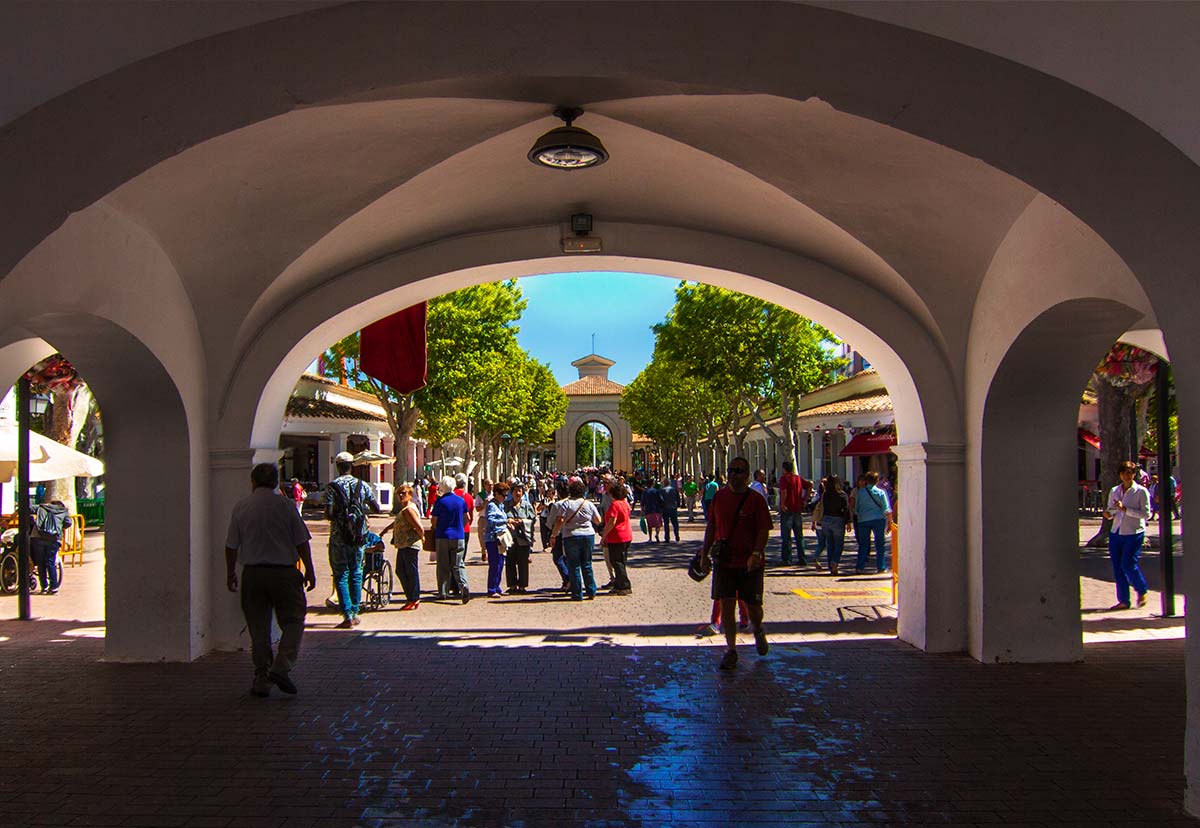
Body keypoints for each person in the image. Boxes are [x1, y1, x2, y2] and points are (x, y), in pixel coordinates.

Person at [224, 463, 316, 697]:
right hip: (284, 573)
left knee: (258, 628)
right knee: (294, 621)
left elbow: (231, 544)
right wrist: (309, 569)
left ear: (252, 481)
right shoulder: (286, 506)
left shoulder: (241, 507)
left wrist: (230, 572)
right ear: (276, 482)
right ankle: (282, 666)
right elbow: (301, 541)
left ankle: (261, 677)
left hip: (253, 574)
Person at [703, 457, 772, 671]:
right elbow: (711, 527)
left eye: (739, 471)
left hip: (750, 563)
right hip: (724, 561)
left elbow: (763, 529)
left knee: (753, 607)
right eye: (731, 470)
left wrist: (756, 553)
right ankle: (731, 650)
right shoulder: (719, 497)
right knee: (727, 604)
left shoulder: (756, 500)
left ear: (747, 474)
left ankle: (758, 628)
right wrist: (704, 554)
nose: (734, 474)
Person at [325, 451, 380, 628]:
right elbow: (376, 507)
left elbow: (329, 513)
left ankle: (347, 613)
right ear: (352, 465)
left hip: (338, 536)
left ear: (338, 466)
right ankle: (355, 611)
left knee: (341, 573)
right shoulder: (362, 485)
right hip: (358, 535)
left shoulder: (332, 487)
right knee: (356, 571)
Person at [1105, 459, 1151, 610]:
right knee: (1117, 567)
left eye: (1130, 473)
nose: (1127, 476)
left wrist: (1126, 509)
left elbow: (1146, 514)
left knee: (1128, 564)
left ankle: (1141, 590)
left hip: (1133, 532)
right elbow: (1111, 509)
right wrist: (1108, 514)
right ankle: (1124, 600)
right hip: (1116, 532)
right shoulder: (1114, 491)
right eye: (1124, 473)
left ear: (1134, 474)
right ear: (1120, 475)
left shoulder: (1141, 491)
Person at [554, 477, 603, 601]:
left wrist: (554, 534)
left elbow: (559, 520)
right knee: (587, 564)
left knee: (573, 565)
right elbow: (598, 520)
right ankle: (591, 590)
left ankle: (577, 593)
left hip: (571, 535)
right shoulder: (588, 504)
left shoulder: (566, 504)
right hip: (588, 535)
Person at [431, 475, 470, 603]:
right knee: (458, 564)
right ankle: (463, 585)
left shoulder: (440, 502)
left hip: (443, 535)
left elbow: (434, 520)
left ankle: (443, 591)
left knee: (443, 565)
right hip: (459, 535)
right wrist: (460, 527)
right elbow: (467, 518)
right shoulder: (461, 501)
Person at [390, 483, 424, 610]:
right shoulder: (404, 509)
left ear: (410, 495)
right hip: (403, 544)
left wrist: (422, 536)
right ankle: (411, 597)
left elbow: (418, 526)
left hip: (410, 544)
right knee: (401, 570)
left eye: (403, 493)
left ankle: (414, 598)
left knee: (410, 571)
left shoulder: (409, 509)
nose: (400, 495)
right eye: (399, 493)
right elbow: (397, 522)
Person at [853, 470, 891, 573]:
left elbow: (857, 509)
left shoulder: (860, 492)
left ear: (866, 480)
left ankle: (860, 567)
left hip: (863, 520)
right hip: (878, 520)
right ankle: (881, 566)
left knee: (863, 544)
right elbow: (886, 508)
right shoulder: (881, 492)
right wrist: (890, 523)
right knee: (879, 544)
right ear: (877, 480)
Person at [31, 499, 71, 594]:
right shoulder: (64, 511)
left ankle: (44, 587)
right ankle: (54, 587)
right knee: (50, 562)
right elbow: (68, 523)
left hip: (38, 538)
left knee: (41, 563)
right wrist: (60, 526)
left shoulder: (42, 507)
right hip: (54, 539)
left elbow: (29, 508)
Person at [601, 480, 634, 594]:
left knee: (616, 561)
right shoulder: (626, 504)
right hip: (627, 535)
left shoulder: (615, 505)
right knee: (621, 561)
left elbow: (612, 522)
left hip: (617, 536)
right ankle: (619, 584)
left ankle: (624, 585)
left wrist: (603, 536)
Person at [777, 460, 809, 566]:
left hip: (788, 509)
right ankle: (802, 557)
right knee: (799, 536)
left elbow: (784, 492)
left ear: (784, 469)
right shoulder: (798, 478)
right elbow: (810, 485)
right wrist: (805, 499)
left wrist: (782, 504)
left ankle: (787, 559)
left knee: (786, 536)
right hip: (797, 509)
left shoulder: (784, 479)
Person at [505, 482, 535, 593]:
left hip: (523, 538)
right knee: (510, 562)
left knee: (523, 562)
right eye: (515, 491)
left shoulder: (527, 505)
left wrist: (522, 522)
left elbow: (533, 520)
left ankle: (522, 585)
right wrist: (508, 521)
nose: (518, 493)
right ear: (511, 492)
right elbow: (502, 518)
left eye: (520, 491)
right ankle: (512, 585)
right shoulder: (506, 505)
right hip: (510, 538)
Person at [819, 475, 852, 576]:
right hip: (838, 519)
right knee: (839, 544)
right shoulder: (842, 495)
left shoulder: (825, 494)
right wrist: (848, 522)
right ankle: (835, 562)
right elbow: (846, 509)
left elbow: (822, 506)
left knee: (830, 544)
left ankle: (830, 564)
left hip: (826, 519)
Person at [484, 481, 510, 597]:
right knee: (494, 563)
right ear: (497, 494)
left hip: (501, 537)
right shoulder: (491, 505)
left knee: (500, 563)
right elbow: (490, 520)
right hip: (493, 538)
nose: (505, 497)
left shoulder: (501, 505)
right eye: (504, 495)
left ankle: (497, 586)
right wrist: (505, 521)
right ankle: (491, 588)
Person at [660, 477, 681, 543]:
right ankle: (676, 534)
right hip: (673, 508)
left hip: (665, 508)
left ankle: (667, 537)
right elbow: (678, 498)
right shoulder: (674, 490)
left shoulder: (662, 491)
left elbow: (660, 500)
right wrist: (677, 505)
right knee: (675, 523)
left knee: (666, 523)